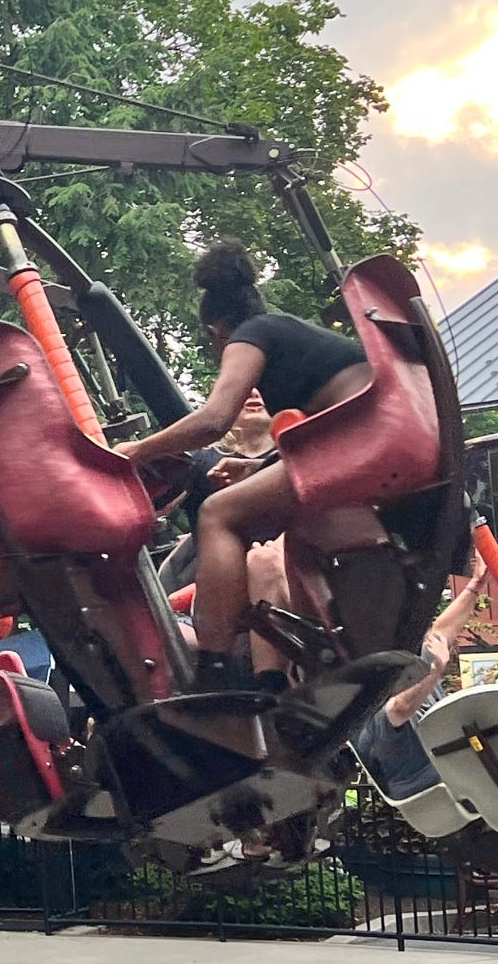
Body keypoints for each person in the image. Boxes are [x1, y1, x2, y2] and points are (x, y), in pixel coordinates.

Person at [114, 240, 372, 691]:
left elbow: (213, 421)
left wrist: (139, 450)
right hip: (366, 441)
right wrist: (256, 473)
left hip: (353, 448)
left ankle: (212, 663)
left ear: (217, 330)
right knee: (263, 530)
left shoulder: (251, 335)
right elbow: (312, 434)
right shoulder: (297, 339)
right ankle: (286, 662)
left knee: (217, 514)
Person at [354, 575, 498, 901]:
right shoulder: (372, 698)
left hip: (448, 766)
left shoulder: (405, 668)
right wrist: (436, 670)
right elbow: (398, 710)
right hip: (426, 788)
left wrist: (474, 587)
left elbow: (441, 632)